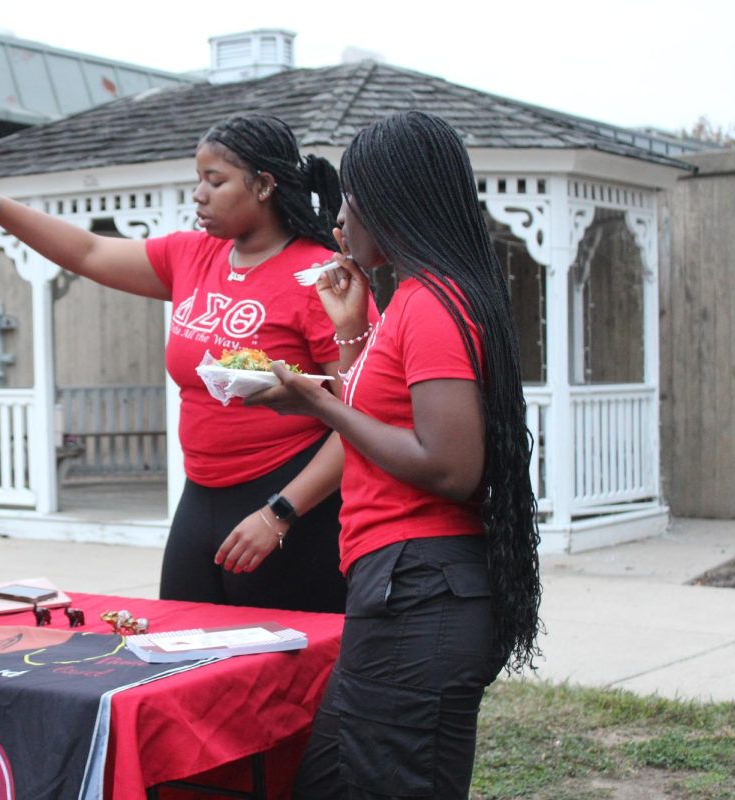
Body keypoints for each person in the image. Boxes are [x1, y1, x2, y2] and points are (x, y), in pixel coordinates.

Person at [0, 113, 359, 612]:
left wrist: (281, 512)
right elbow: (88, 251)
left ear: (263, 186)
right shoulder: (193, 255)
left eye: (214, 181)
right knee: (182, 650)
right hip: (201, 494)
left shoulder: (318, 278)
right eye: (198, 179)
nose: (199, 194)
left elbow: (358, 418)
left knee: (286, 670)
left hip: (290, 497)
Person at [245, 111, 542, 798]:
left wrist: (319, 403)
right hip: (401, 589)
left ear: (391, 201)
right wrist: (350, 334)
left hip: (422, 593)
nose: (340, 221)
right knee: (326, 781)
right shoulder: (413, 299)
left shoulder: (434, 304)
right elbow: (381, 418)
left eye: (351, 199)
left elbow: (448, 464)